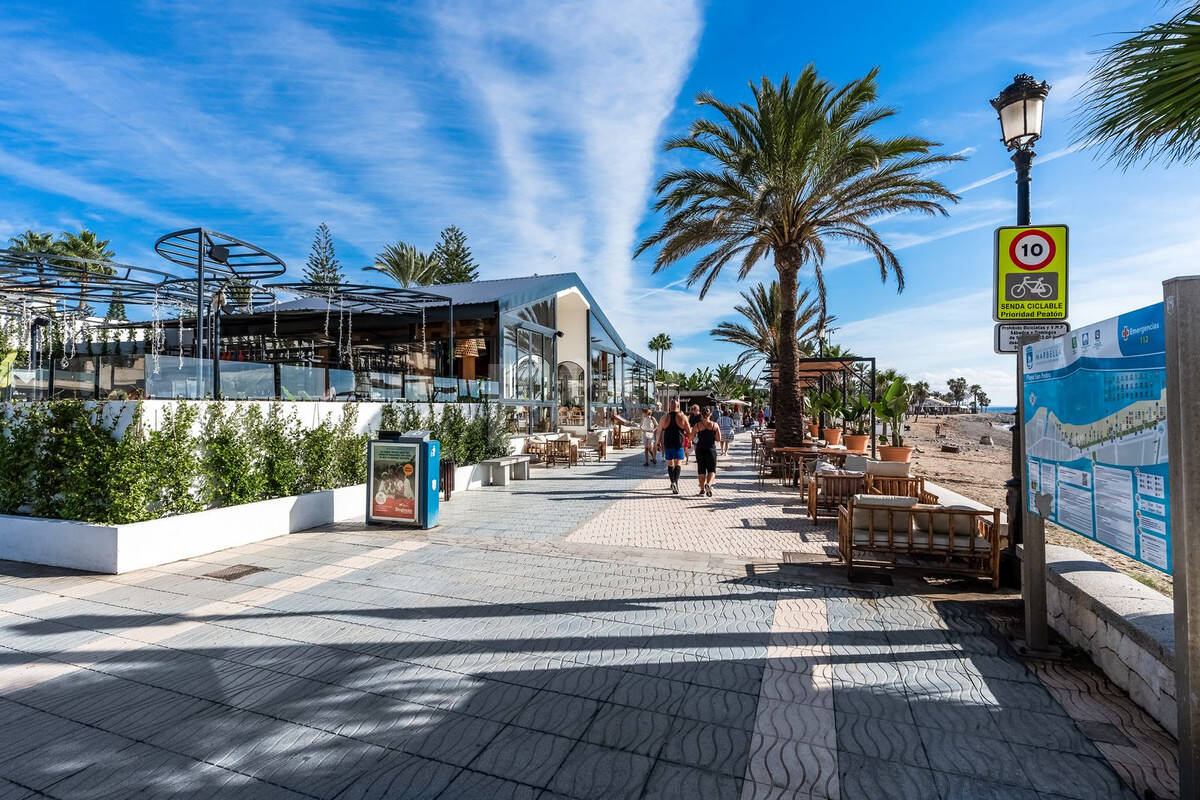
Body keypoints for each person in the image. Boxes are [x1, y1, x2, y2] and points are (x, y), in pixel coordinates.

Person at [655, 400, 692, 494]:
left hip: (668, 442)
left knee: (670, 463)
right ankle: (675, 482)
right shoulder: (682, 417)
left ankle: (672, 482)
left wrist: (657, 443)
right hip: (679, 442)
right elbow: (688, 431)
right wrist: (689, 441)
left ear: (669, 407)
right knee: (678, 463)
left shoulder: (664, 417)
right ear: (678, 406)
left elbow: (659, 431)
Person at [691, 407, 722, 496]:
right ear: (710, 414)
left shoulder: (697, 425)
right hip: (711, 449)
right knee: (712, 470)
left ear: (701, 414)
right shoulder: (714, 425)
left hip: (700, 449)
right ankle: (708, 484)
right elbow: (719, 439)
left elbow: (691, 437)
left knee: (701, 470)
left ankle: (701, 489)